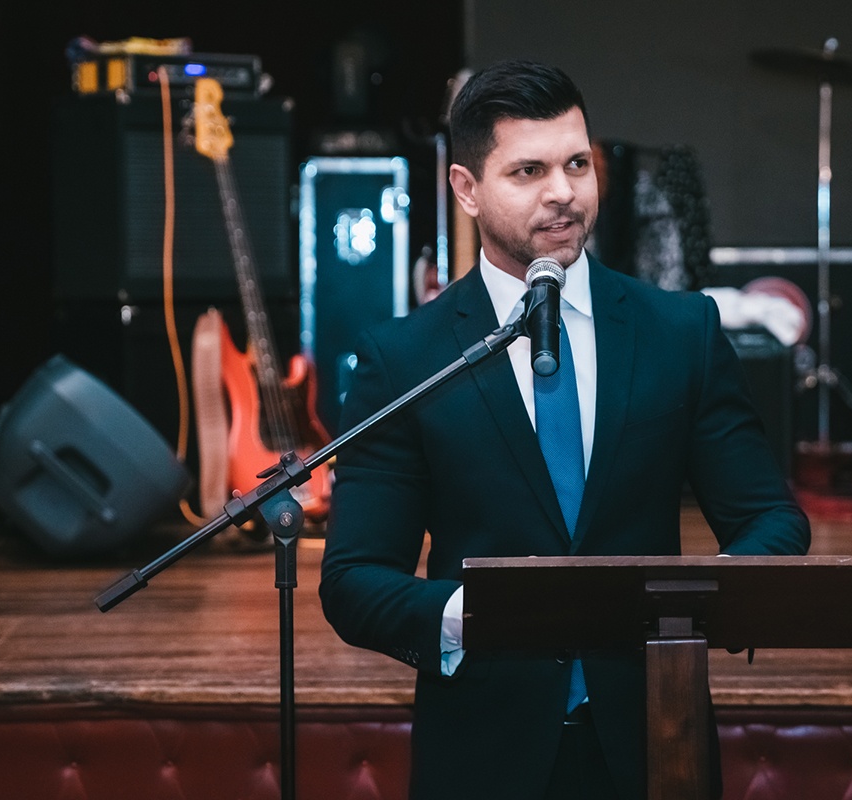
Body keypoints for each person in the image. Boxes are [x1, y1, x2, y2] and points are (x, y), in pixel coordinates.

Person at [320, 59, 810, 800]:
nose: (563, 192)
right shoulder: (405, 358)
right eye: (529, 171)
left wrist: (698, 602)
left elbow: (771, 519)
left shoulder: (681, 332)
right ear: (467, 189)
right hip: (483, 751)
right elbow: (355, 579)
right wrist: (480, 617)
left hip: (655, 738)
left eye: (577, 164)